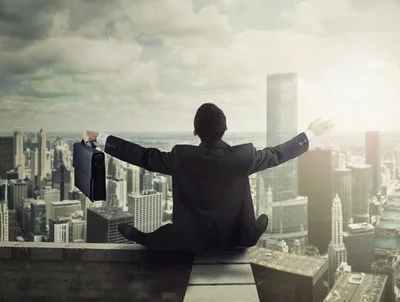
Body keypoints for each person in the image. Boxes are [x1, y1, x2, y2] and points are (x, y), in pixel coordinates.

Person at [82, 103, 334, 252]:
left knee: (162, 237)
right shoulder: (243, 156)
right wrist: (310, 133)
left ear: (195, 131)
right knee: (262, 221)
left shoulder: (181, 157)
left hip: (190, 241)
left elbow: (143, 156)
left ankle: (146, 239)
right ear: (226, 129)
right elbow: (278, 154)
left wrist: (102, 138)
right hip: (237, 240)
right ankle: (252, 230)